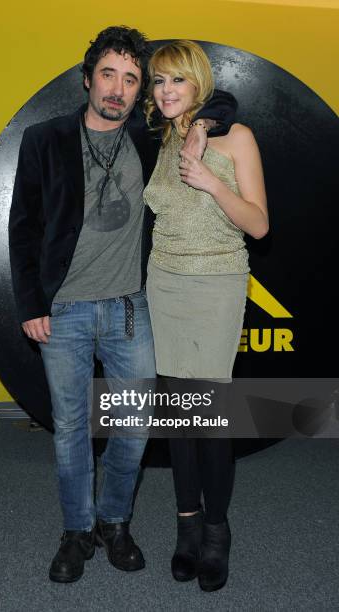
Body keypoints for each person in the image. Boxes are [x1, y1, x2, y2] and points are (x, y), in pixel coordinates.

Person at [8, 26, 237, 584]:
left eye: (132, 79)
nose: (118, 88)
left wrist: (204, 122)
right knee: (70, 429)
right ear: (88, 79)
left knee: (133, 428)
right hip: (62, 311)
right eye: (108, 74)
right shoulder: (44, 138)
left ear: (140, 93)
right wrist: (29, 302)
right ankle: (76, 530)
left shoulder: (149, 135)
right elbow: (23, 226)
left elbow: (223, 100)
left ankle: (114, 522)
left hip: (131, 310)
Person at [144, 40, 268, 592]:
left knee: (210, 417)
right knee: (177, 413)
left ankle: (217, 532)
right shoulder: (166, 137)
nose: (165, 92)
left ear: (198, 83)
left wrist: (213, 182)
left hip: (217, 282)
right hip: (164, 283)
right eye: (158, 82)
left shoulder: (235, 136)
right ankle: (187, 526)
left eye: (176, 81)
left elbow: (260, 225)